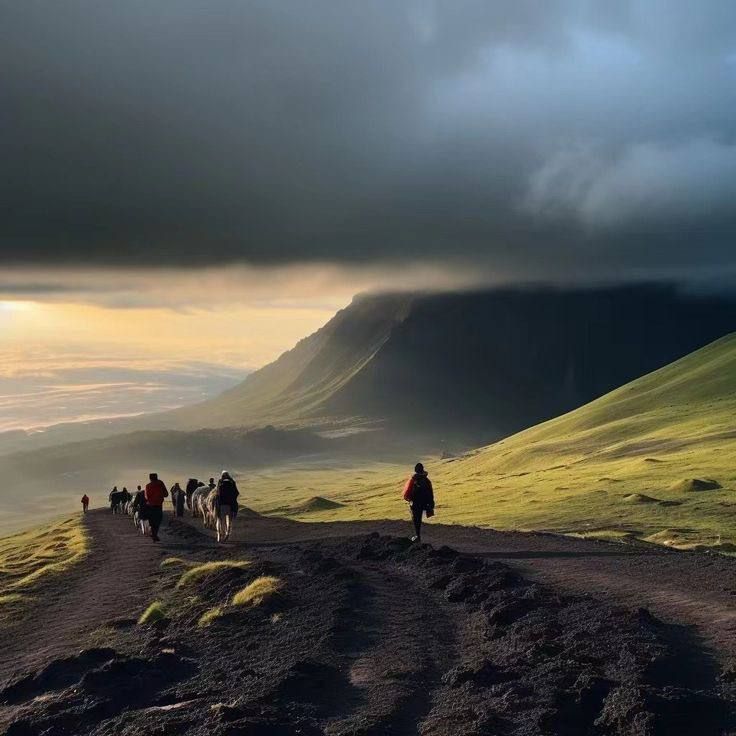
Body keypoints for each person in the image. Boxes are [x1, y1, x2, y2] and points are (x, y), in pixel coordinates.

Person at [403, 462, 435, 543]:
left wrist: (409, 500)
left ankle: (417, 536)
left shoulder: (413, 480)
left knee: (416, 519)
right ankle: (418, 536)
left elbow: (407, 493)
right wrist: (431, 504)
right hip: (424, 503)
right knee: (419, 519)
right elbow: (430, 493)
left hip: (415, 503)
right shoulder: (427, 480)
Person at [215, 470, 239, 543]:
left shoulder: (220, 484)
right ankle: (227, 535)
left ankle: (220, 536)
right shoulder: (232, 484)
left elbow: (217, 494)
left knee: (220, 521)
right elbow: (236, 493)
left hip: (222, 505)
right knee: (229, 521)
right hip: (231, 506)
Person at [144, 472, 168, 543]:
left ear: (150, 478)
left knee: (152, 521)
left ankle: (154, 534)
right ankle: (154, 534)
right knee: (158, 521)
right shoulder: (160, 484)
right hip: (158, 505)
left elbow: (146, 497)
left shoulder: (147, 486)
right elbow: (166, 494)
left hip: (150, 506)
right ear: (157, 477)